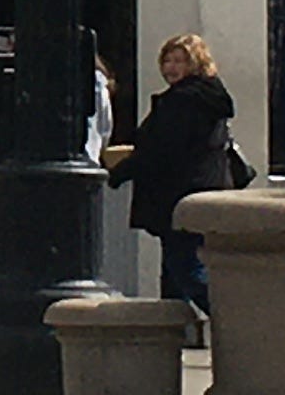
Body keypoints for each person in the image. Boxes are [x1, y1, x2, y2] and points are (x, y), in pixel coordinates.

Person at [103, 33, 243, 316]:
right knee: (174, 276)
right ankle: (177, 335)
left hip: (180, 195)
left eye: (180, 61)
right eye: (167, 60)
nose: (171, 67)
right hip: (201, 191)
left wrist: (120, 171)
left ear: (196, 64)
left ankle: (240, 322)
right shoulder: (207, 98)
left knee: (186, 270)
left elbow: (162, 151)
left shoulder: (182, 102)